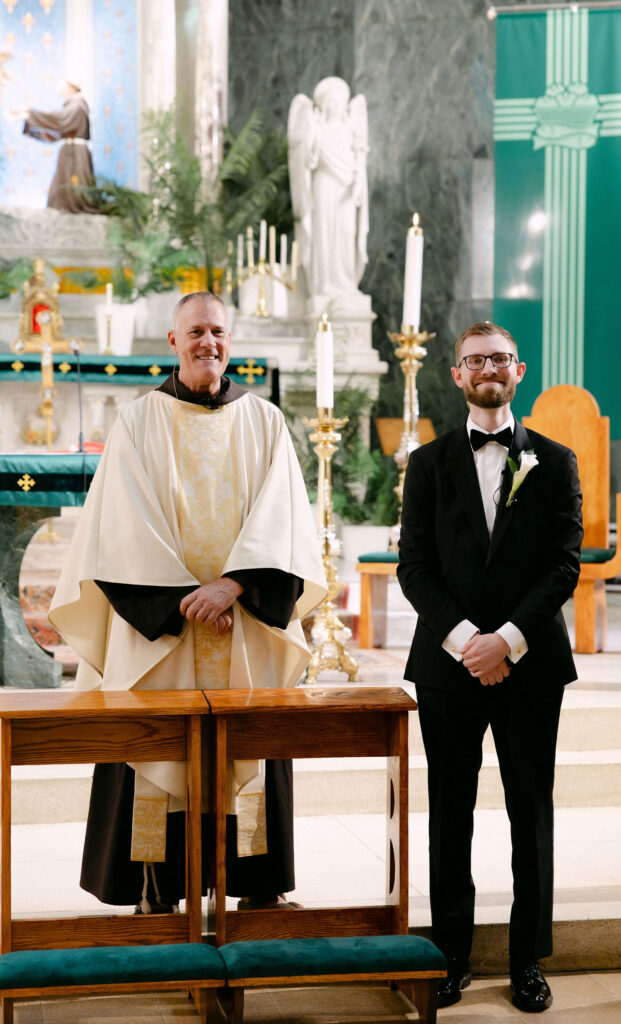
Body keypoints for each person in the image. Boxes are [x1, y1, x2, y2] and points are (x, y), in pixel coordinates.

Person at [49, 291, 326, 913]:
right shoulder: (138, 421)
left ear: (232, 341)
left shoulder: (265, 421)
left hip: (246, 620)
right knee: (157, 741)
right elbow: (121, 524)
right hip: (164, 629)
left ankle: (257, 887)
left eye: (218, 332)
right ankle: (157, 890)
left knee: (248, 736)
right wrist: (182, 599)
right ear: (172, 342)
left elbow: (282, 519)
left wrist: (234, 586)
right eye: (196, 331)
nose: (209, 342)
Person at [397, 322, 583, 1013]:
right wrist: (465, 642)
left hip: (530, 666)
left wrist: (505, 640)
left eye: (499, 359)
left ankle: (526, 959)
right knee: (450, 814)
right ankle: (449, 956)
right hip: (448, 668)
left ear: (519, 369)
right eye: (474, 360)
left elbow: (562, 563)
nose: (487, 370)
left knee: (529, 812)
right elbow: (413, 566)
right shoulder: (427, 463)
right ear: (455, 374)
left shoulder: (554, 461)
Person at [288, 77, 369, 301]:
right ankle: (324, 285)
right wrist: (311, 137)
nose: (333, 105)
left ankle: (345, 283)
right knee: (323, 234)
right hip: (323, 186)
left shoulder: (350, 129)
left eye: (337, 101)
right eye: (329, 101)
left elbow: (358, 163)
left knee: (345, 233)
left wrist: (358, 184)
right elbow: (309, 161)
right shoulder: (317, 128)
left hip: (345, 191)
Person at [18, 79, 96, 213]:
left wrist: (31, 113)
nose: (59, 88)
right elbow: (59, 129)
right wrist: (31, 123)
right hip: (69, 150)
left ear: (72, 87)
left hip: (75, 153)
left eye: (63, 84)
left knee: (75, 183)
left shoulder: (77, 105)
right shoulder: (72, 105)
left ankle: (74, 208)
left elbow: (60, 120)